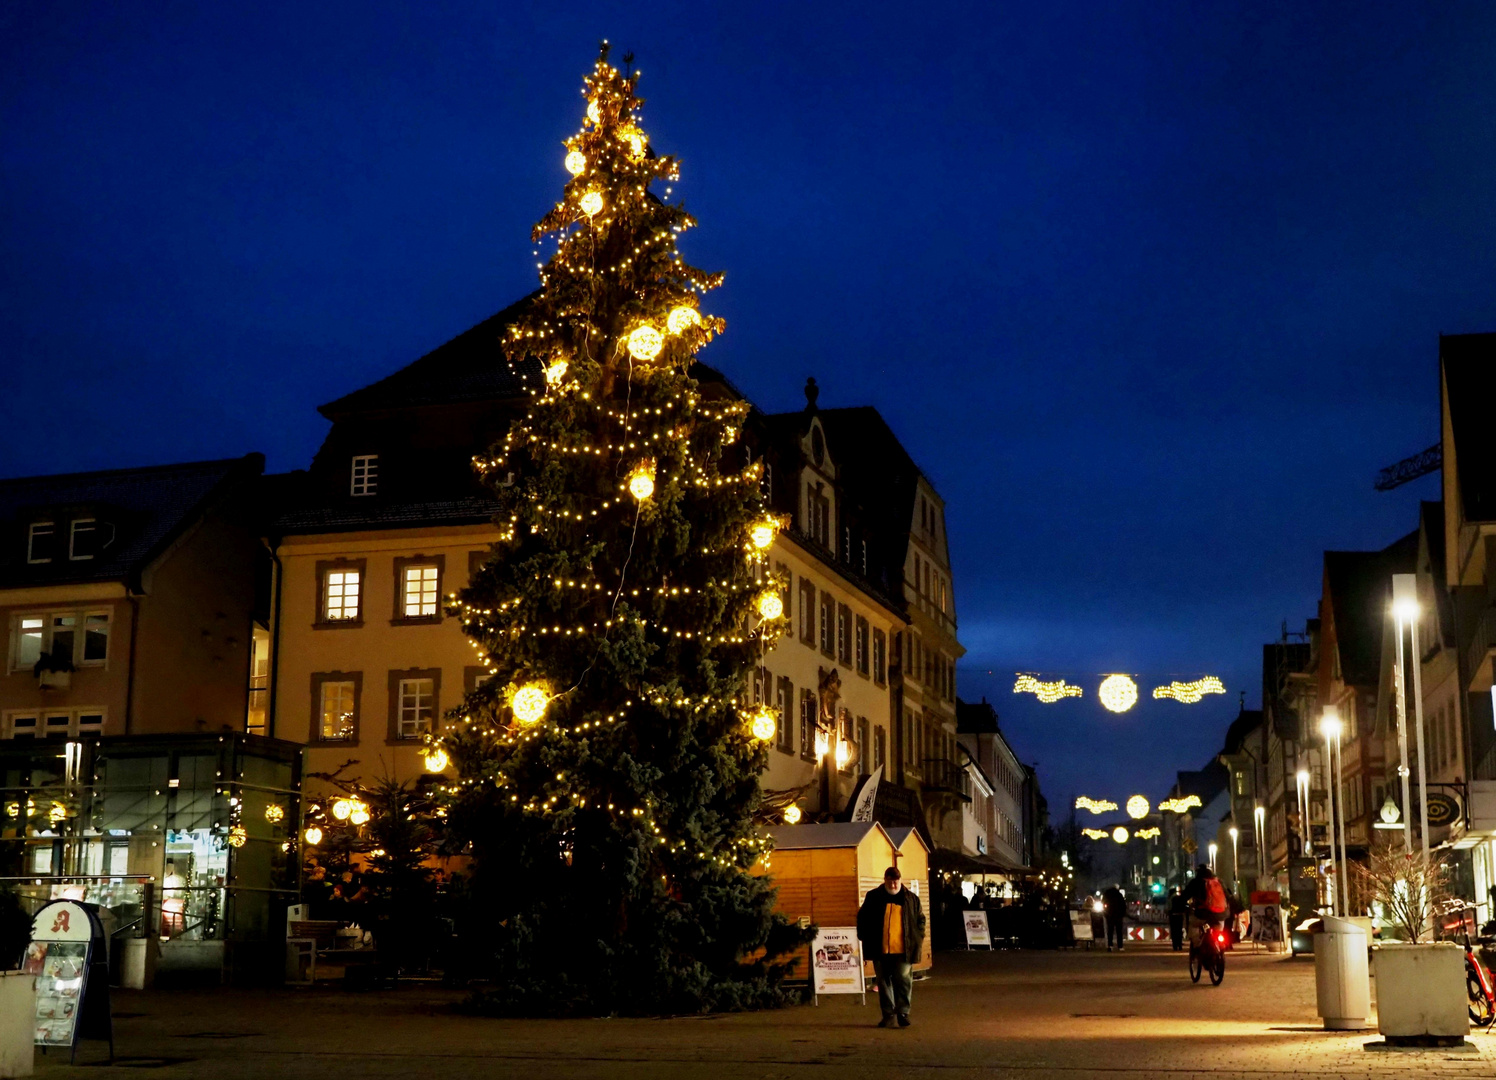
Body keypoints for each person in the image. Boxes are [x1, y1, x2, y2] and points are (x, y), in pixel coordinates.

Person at [856, 866, 926, 1028]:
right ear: (885, 880)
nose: (893, 884)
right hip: (880, 948)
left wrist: (918, 936)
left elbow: (920, 919)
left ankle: (902, 1012)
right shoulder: (873, 897)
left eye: (896, 881)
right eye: (890, 881)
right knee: (883, 982)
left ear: (900, 880)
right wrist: (863, 935)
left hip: (904, 948)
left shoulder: (911, 899)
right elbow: (863, 917)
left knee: (903, 979)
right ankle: (888, 1014)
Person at [1182, 864, 1228, 949]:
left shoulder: (1195, 882)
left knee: (1194, 926)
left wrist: (1181, 905)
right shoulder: (1219, 882)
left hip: (1202, 914)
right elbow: (1229, 896)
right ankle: (1220, 945)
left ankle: (1197, 946)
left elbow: (1185, 896)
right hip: (1220, 914)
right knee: (1219, 930)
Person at [1101, 884, 1127, 951]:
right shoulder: (1119, 895)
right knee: (1119, 931)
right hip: (1118, 915)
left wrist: (1106, 914)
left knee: (1110, 931)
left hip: (1109, 915)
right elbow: (1123, 905)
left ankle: (1110, 945)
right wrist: (1122, 914)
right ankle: (1120, 946)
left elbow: (1103, 904)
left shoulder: (1106, 895)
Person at [1167, 886, 1187, 951]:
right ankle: (1180, 945)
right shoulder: (1180, 897)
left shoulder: (1170, 899)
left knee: (1174, 931)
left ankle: (1175, 945)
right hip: (1180, 916)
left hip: (1173, 916)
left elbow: (1168, 908)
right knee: (1179, 930)